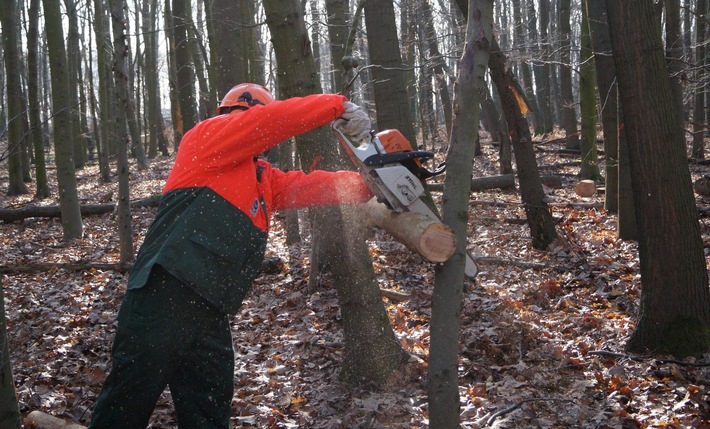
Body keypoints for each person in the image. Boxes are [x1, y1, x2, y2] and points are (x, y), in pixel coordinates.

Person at [88, 83, 374, 428]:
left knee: (208, 410)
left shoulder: (261, 177)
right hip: (163, 293)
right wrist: (337, 106)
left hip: (209, 308)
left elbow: (309, 185)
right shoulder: (208, 138)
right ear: (247, 111)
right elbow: (270, 121)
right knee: (126, 403)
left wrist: (371, 184)